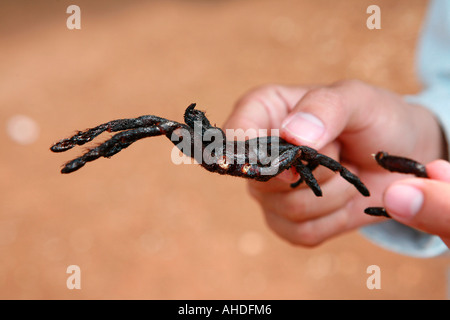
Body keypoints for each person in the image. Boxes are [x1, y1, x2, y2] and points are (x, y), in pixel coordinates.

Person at [223, 0, 450, 257]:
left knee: (312, 163)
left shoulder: (302, 155)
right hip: (286, 151)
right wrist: (432, 138)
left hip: (295, 154)